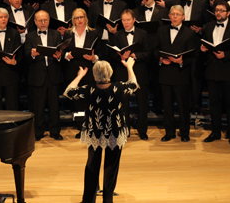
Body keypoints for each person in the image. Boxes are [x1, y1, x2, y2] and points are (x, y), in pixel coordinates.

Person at [64, 57, 138, 203]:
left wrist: (79, 76)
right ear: (110, 73)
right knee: (111, 167)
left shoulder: (89, 89)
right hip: (114, 132)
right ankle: (107, 200)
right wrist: (129, 67)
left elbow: (69, 91)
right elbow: (134, 84)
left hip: (95, 132)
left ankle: (88, 200)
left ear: (94, 74)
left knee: (92, 165)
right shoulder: (119, 87)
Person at [201, 2, 230, 145]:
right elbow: (205, 44)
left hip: (229, 71)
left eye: (222, 10)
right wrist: (203, 48)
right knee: (214, 104)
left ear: (228, 13)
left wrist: (225, 55)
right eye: (216, 10)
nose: (218, 13)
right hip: (212, 70)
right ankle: (215, 132)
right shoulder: (208, 27)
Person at [153, 5, 197, 142]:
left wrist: (181, 61)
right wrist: (160, 59)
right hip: (165, 74)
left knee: (183, 107)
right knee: (167, 106)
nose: (175, 16)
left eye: (178, 14)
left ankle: (184, 133)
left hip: (181, 74)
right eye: (173, 14)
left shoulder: (190, 33)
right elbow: (155, 49)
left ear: (183, 17)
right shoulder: (161, 30)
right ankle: (169, 132)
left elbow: (193, 56)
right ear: (169, 16)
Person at [108, 9, 150, 140]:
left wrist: (134, 55)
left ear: (133, 20)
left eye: (128, 20)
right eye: (123, 20)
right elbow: (113, 55)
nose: (125, 23)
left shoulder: (143, 34)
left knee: (142, 103)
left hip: (139, 72)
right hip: (122, 73)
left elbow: (148, 52)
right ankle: (124, 131)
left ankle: (142, 130)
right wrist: (121, 56)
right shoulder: (117, 35)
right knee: (123, 104)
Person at [25, 10, 64, 141]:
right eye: (40, 20)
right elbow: (25, 54)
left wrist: (59, 57)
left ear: (49, 21)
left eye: (45, 20)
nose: (43, 23)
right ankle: (38, 132)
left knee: (54, 106)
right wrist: (32, 54)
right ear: (35, 22)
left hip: (53, 74)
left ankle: (55, 131)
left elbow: (61, 52)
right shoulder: (30, 36)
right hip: (37, 75)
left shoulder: (56, 34)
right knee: (38, 106)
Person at [63, 8, 101, 138]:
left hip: (89, 70)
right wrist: (67, 55)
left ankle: (92, 127)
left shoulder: (94, 32)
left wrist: (94, 57)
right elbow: (62, 50)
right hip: (74, 71)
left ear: (86, 18)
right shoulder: (68, 34)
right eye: (76, 18)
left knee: (91, 100)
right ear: (73, 20)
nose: (79, 20)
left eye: (81, 17)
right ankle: (82, 129)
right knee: (77, 101)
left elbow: (101, 52)